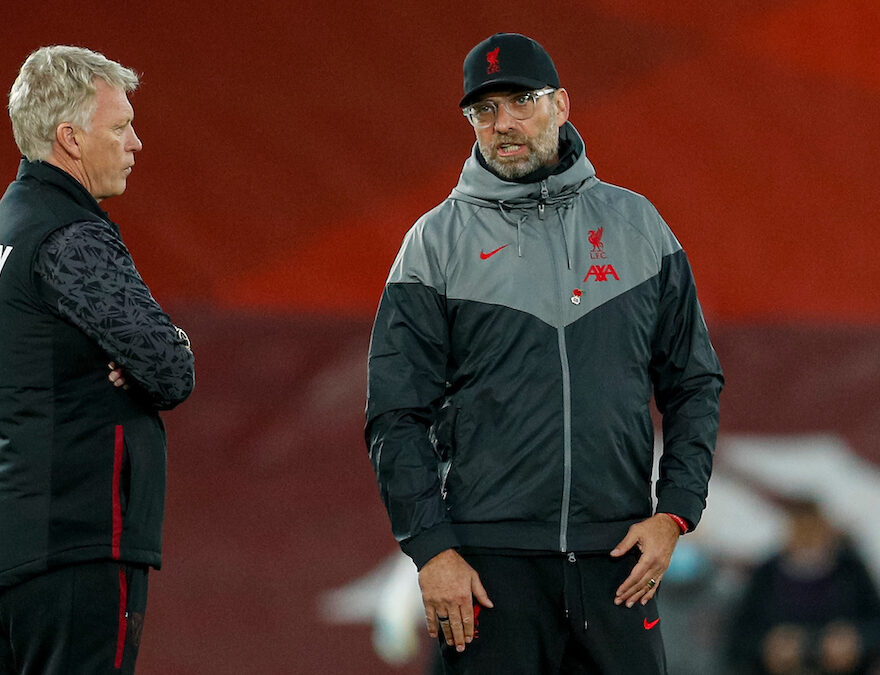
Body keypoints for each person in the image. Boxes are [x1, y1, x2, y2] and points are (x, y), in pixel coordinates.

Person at [364, 32, 723, 673]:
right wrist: (432, 550)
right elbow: (394, 415)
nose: (503, 125)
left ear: (560, 104)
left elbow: (693, 382)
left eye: (520, 101)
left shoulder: (639, 227)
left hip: (619, 560)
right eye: (483, 111)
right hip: (485, 567)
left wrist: (675, 513)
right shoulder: (434, 244)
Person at [0, 45, 194, 674]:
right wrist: (165, 349)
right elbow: (171, 370)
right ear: (69, 138)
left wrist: (140, 354)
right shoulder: (70, 233)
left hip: (17, 542)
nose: (136, 142)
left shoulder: (12, 222)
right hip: (74, 542)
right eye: (119, 127)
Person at [724, 497, 880, 674]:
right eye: (800, 527)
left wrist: (856, 639)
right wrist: (767, 645)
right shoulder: (766, 574)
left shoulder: (851, 570)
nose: (806, 535)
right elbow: (738, 638)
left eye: (812, 526)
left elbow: (875, 624)